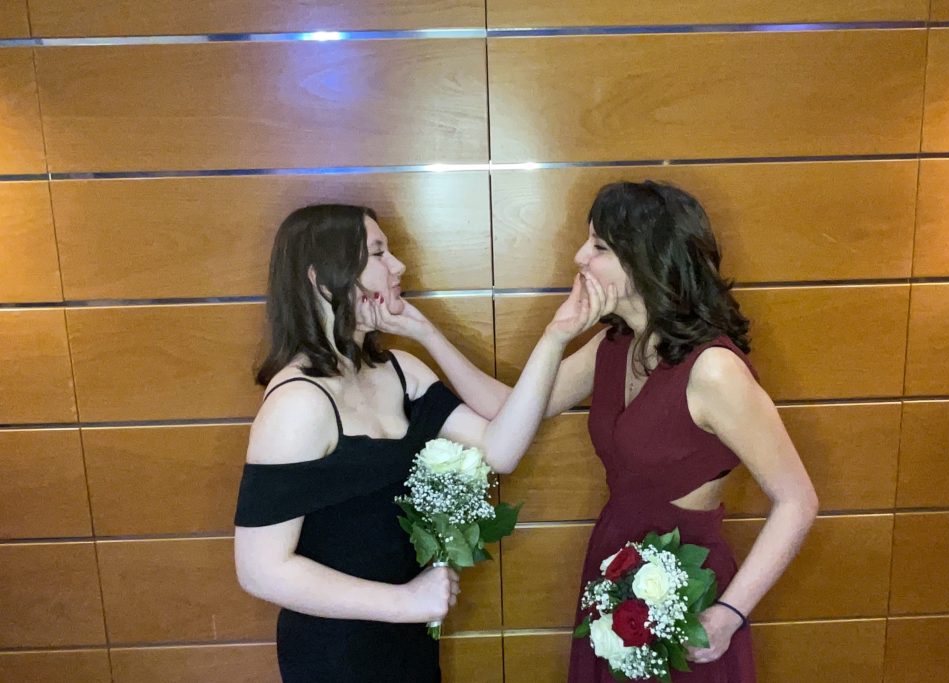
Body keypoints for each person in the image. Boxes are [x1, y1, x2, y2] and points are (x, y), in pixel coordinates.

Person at [379, 181, 819, 681]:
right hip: (613, 559)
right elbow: (509, 409)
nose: (579, 257)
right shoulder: (613, 345)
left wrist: (730, 613)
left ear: (645, 260)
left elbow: (797, 501)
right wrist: (426, 332)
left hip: (685, 584)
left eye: (599, 246)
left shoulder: (714, 370)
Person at [232, 204, 607, 682]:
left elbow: (502, 450)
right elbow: (260, 570)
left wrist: (549, 336)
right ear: (322, 280)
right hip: (335, 652)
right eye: (378, 253)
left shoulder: (399, 370)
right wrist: (404, 601)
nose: (399, 265)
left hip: (409, 637)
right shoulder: (297, 403)